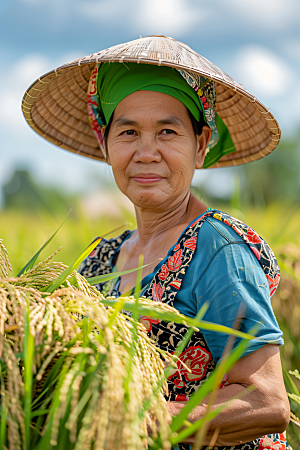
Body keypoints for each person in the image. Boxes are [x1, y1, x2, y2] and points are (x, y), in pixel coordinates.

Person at [22, 36, 291, 449]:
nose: (147, 152)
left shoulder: (217, 249)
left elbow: (267, 401)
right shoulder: (99, 262)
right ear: (106, 144)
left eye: (168, 131)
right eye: (128, 131)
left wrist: (136, 417)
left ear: (199, 146)